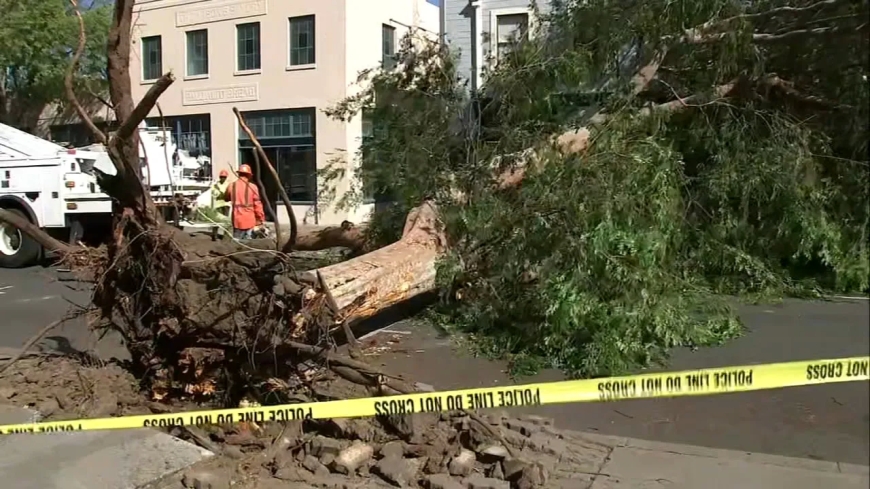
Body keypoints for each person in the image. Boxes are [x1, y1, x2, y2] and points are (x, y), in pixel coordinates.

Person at [224, 164, 265, 240]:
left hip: (236, 221)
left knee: (237, 242)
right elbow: (257, 205)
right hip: (250, 220)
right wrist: (260, 219)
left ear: (239, 173)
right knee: (249, 244)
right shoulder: (253, 187)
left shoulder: (231, 186)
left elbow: (226, 198)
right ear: (249, 175)